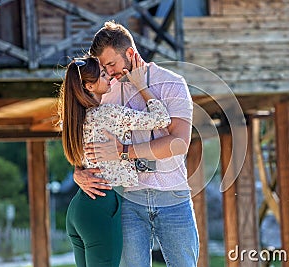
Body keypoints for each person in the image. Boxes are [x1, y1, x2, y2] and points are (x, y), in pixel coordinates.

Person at [73, 21, 199, 267]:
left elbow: (179, 143)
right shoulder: (105, 90)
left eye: (111, 64)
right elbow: (86, 136)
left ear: (130, 53)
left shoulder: (172, 83)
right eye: (103, 67)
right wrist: (79, 171)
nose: (108, 72)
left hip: (173, 198)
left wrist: (123, 152)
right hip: (126, 200)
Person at [58, 55, 171, 267]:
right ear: (89, 85)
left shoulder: (72, 121)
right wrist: (141, 85)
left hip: (80, 208)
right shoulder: (108, 114)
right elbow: (162, 119)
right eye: (102, 74)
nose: (109, 75)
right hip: (103, 204)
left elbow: (80, 160)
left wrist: (77, 172)